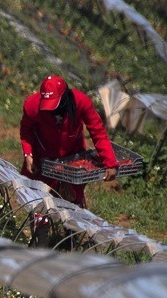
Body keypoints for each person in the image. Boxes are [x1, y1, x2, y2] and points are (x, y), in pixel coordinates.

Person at [19, 74, 118, 209]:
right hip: (44, 156)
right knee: (39, 199)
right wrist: (28, 154)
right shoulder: (32, 106)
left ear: (65, 98)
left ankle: (72, 223)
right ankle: (41, 224)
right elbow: (26, 132)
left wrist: (110, 162)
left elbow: (98, 132)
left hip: (72, 156)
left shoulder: (81, 102)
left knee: (73, 201)